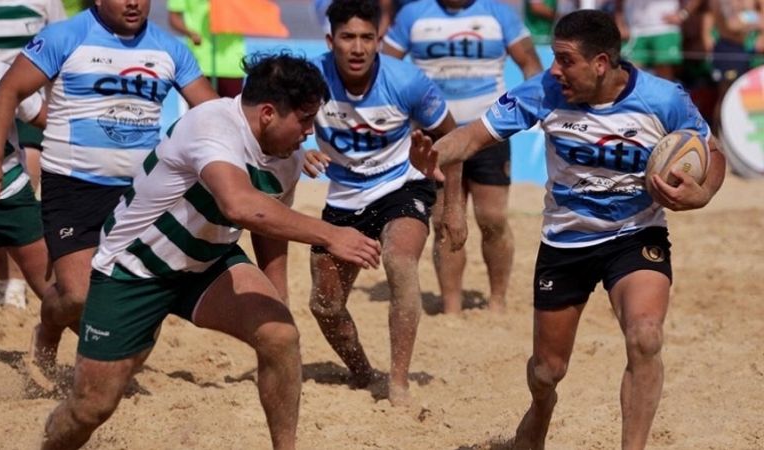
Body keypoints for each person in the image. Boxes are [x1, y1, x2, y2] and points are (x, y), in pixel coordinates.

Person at [409, 10, 726, 449]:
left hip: (635, 233)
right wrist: (436, 155)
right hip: (566, 240)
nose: (553, 69)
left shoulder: (663, 98)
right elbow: (474, 137)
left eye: (564, 59)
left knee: (646, 336)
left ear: (600, 63)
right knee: (547, 370)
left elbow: (711, 151)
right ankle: (540, 410)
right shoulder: (544, 91)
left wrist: (704, 191)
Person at [39, 53, 382, 450]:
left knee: (280, 336)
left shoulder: (286, 157)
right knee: (92, 407)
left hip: (208, 261)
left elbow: (269, 221)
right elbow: (240, 205)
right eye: (304, 120)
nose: (310, 131)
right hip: (134, 269)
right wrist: (330, 235)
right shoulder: (212, 123)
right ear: (268, 113)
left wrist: (277, 294)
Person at [0, 0, 218, 380]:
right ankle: (48, 330)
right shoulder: (65, 36)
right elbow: (7, 92)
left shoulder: (170, 49)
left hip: (142, 193)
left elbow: (212, 115)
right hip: (73, 187)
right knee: (77, 295)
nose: (133, 2)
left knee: (137, 316)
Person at [303, 0, 462, 406]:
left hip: (402, 186)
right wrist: (297, 153)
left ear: (378, 41)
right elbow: (275, 126)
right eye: (347, 37)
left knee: (399, 260)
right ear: (330, 40)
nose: (357, 48)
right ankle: (361, 371)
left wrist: (453, 207)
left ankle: (399, 382)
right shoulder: (310, 79)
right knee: (324, 304)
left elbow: (453, 138)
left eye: (366, 38)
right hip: (343, 197)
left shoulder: (408, 81)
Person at [383, 0, 543, 315]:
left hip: (488, 132)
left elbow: (530, 63)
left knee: (492, 220)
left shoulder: (497, 13)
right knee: (443, 221)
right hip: (435, 135)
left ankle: (497, 301)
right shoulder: (413, 14)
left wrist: (535, 107)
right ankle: (451, 308)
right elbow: (385, 67)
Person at [0, 0, 67, 308]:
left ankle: (77, 339)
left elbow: (43, 116)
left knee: (57, 292)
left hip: (4, 182)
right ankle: (8, 284)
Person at [167, 0, 246, 97]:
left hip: (231, 63)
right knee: (200, 110)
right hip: (199, 64)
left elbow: (249, 11)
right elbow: (174, 17)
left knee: (231, 110)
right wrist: (190, 33)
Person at [614, 0, 703, 81]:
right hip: (635, 30)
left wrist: (683, 14)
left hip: (664, 29)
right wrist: (620, 22)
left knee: (665, 77)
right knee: (629, 75)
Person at [710, 0, 764, 132]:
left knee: (743, 96)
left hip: (742, 49)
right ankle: (717, 140)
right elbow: (732, 24)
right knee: (726, 96)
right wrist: (755, 18)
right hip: (728, 49)